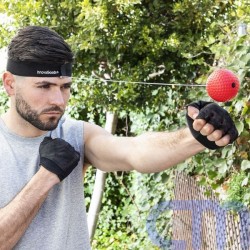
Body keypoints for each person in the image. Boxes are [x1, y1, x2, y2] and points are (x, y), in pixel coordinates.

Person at [0, 26, 238, 250]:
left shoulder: (74, 134)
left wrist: (194, 136)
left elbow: (134, 151)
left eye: (65, 87)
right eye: (44, 86)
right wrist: (45, 178)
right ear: (10, 84)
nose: (59, 101)